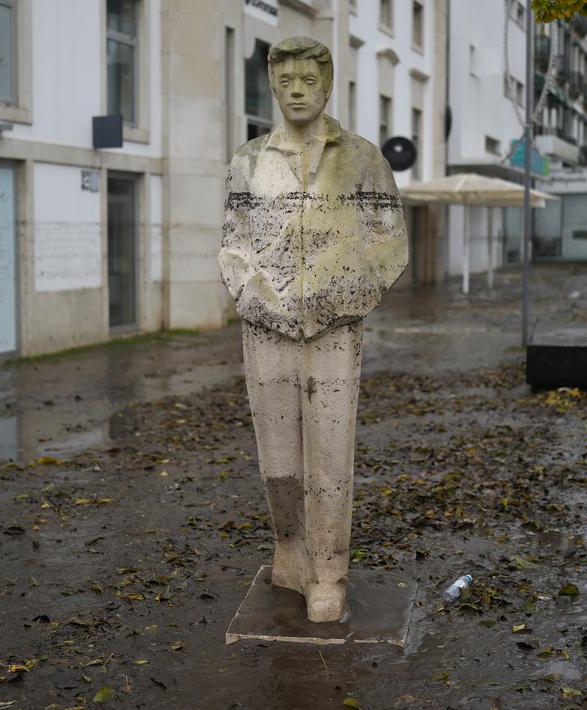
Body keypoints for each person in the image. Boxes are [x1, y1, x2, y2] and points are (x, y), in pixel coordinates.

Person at [218, 36, 407, 623]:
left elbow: (390, 244)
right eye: (286, 82)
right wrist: (258, 298)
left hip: (333, 329)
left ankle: (329, 571)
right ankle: (290, 549)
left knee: (329, 453)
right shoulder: (249, 161)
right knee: (277, 457)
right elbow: (232, 246)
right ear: (273, 87)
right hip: (265, 328)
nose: (296, 92)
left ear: (327, 86)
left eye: (307, 81)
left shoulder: (363, 158)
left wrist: (339, 297)